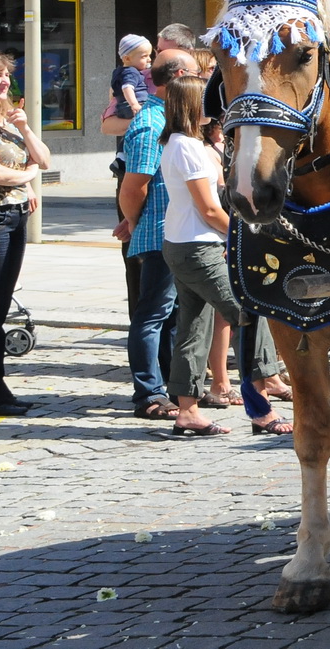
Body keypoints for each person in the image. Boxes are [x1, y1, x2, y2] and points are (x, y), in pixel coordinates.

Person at [157, 75, 292, 438]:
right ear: (191, 104)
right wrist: (244, 232)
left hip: (183, 244)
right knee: (248, 314)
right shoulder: (186, 146)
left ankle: (187, 411)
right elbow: (208, 209)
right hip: (197, 247)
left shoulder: (179, 143)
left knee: (194, 326)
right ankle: (262, 409)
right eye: (205, 99)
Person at [116, 48, 198, 420]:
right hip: (158, 234)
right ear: (180, 75)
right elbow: (135, 186)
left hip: (174, 232)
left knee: (171, 315)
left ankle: (168, 387)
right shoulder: (152, 124)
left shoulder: (170, 119)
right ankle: (148, 393)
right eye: (196, 72)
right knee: (152, 314)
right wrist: (132, 222)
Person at [0, 54, 50, 416]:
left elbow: (44, 159)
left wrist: (26, 128)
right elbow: (0, 176)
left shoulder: (8, 118)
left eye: (4, 75)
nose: (2, 82)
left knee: (1, 303)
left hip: (15, 217)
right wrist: (28, 177)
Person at [110, 34, 154, 121]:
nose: (149, 59)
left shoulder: (118, 71)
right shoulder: (131, 72)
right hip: (136, 105)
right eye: (144, 56)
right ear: (127, 59)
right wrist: (134, 104)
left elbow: (113, 93)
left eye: (149, 55)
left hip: (122, 107)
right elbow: (127, 88)